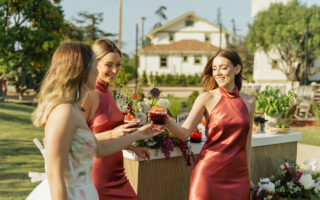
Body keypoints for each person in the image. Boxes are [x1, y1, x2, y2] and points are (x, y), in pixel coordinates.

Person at [27, 42, 163, 200]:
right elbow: (55, 175)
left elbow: (99, 148)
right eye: (94, 64)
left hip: (87, 193)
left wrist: (139, 135)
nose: (96, 70)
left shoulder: (73, 110)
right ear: (80, 70)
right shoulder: (63, 112)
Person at [164, 48, 255, 200]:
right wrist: (166, 121)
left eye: (223, 68)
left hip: (238, 177)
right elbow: (184, 132)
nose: (218, 73)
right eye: (214, 68)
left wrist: (248, 176)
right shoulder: (205, 98)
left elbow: (247, 142)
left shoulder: (250, 101)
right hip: (208, 175)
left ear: (237, 69)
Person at [81, 38, 148, 200]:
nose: (115, 70)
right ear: (95, 63)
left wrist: (132, 148)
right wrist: (112, 134)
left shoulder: (108, 92)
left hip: (118, 173)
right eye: (109, 65)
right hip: (98, 175)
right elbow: (78, 140)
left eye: (118, 65)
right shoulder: (88, 94)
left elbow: (107, 131)